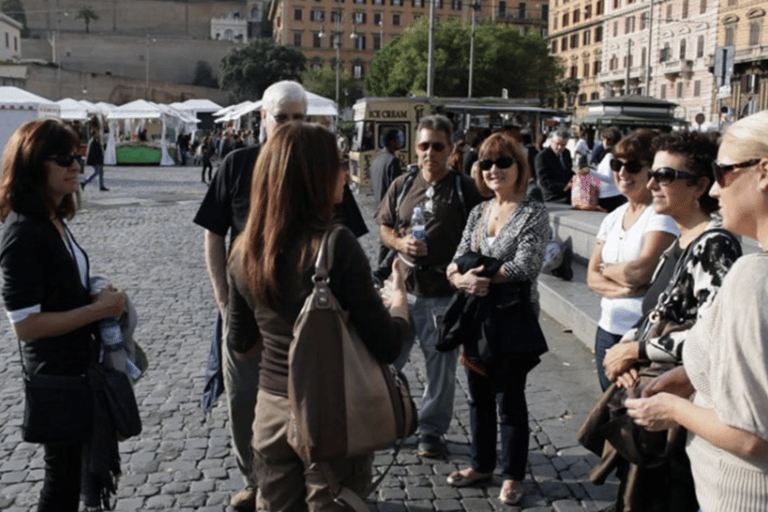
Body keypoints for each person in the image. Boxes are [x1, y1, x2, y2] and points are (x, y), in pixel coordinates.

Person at [194, 80, 367, 511]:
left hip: (313, 319)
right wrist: (223, 297)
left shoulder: (318, 168)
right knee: (243, 399)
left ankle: (314, 482)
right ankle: (257, 480)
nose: (290, 126)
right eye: (282, 117)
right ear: (263, 120)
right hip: (248, 308)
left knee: (311, 402)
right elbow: (214, 234)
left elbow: (348, 236)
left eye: (298, 118)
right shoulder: (237, 164)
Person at [227, 121, 410, 511]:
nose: (345, 172)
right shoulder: (335, 246)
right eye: (338, 163)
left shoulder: (243, 251)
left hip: (272, 411)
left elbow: (241, 345)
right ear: (314, 176)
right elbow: (387, 344)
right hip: (333, 411)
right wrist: (398, 301)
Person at [625, 110, 768, 512]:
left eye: (722, 174)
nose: (717, 192)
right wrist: (692, 375)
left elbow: (751, 435)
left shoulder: (753, 275)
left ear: (764, 172)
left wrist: (674, 409)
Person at [592, 130, 742, 512]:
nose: (653, 183)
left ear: (700, 186)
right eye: (654, 174)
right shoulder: (680, 243)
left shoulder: (715, 245)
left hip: (678, 406)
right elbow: (652, 313)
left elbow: (713, 335)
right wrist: (629, 355)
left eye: (666, 176)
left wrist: (638, 349)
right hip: (651, 391)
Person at [0, 119, 126, 511]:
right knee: (61, 481)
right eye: (63, 158)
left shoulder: (53, 218)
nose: (76, 165)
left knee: (71, 472)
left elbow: (57, 289)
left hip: (75, 369)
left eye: (78, 155)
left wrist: (90, 292)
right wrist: (97, 309)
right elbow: (25, 325)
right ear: (32, 164)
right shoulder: (23, 232)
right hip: (55, 376)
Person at [443, 133, 549, 506]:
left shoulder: (532, 211)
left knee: (509, 399)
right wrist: (461, 277)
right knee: (477, 397)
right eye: (486, 163)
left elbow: (525, 265)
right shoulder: (478, 211)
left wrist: (477, 271)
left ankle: (512, 475)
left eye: (503, 162)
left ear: (519, 167)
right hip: (475, 316)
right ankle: (481, 464)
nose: (493, 170)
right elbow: (455, 260)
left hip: (510, 320)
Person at [376, 114, 483, 458]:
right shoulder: (403, 184)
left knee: (441, 369)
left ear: (451, 149)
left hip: (443, 295)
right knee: (389, 362)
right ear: (416, 148)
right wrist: (400, 244)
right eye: (424, 145)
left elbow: (482, 236)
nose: (430, 152)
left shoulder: (465, 189)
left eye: (438, 146)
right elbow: (384, 226)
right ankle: (386, 422)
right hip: (403, 293)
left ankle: (431, 432)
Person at [587, 129, 679, 391]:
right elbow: (591, 277)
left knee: (632, 418)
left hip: (640, 334)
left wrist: (608, 271)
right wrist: (624, 288)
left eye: (633, 166)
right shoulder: (613, 216)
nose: (623, 173)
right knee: (607, 411)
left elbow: (642, 270)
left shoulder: (660, 215)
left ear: (651, 171)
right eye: (617, 164)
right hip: (607, 330)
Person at [590, 127, 625, 212]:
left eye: (603, 139)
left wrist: (590, 171)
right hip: (614, 194)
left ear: (607, 140)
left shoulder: (609, 156)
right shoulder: (616, 155)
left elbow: (609, 178)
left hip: (608, 196)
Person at [534, 130, 573, 203]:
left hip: (567, 193)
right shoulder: (542, 157)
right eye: (557, 144)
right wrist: (565, 186)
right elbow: (544, 181)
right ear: (551, 142)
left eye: (563, 145)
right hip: (552, 196)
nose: (560, 147)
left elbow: (568, 171)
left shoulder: (566, 153)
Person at [370, 128, 402, 207]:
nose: (399, 142)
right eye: (397, 139)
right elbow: (397, 189)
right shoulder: (392, 161)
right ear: (392, 141)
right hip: (388, 209)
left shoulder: (375, 160)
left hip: (377, 208)